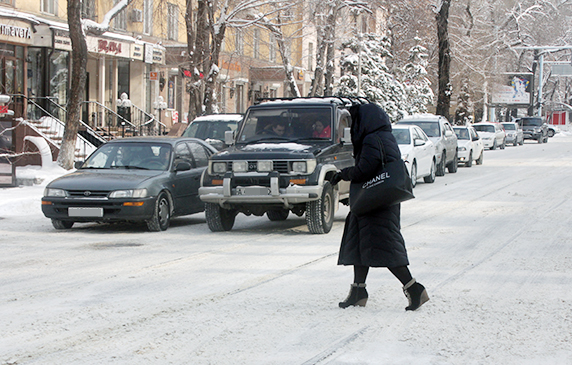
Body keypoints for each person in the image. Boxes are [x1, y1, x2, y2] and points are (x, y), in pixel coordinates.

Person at [328, 103, 429, 311]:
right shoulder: (381, 136)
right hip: (373, 202)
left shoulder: (373, 138)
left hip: (377, 204)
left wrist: (342, 174)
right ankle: (358, 291)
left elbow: (366, 169)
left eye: (354, 122)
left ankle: (414, 288)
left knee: (386, 247)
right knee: (359, 245)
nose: (351, 127)